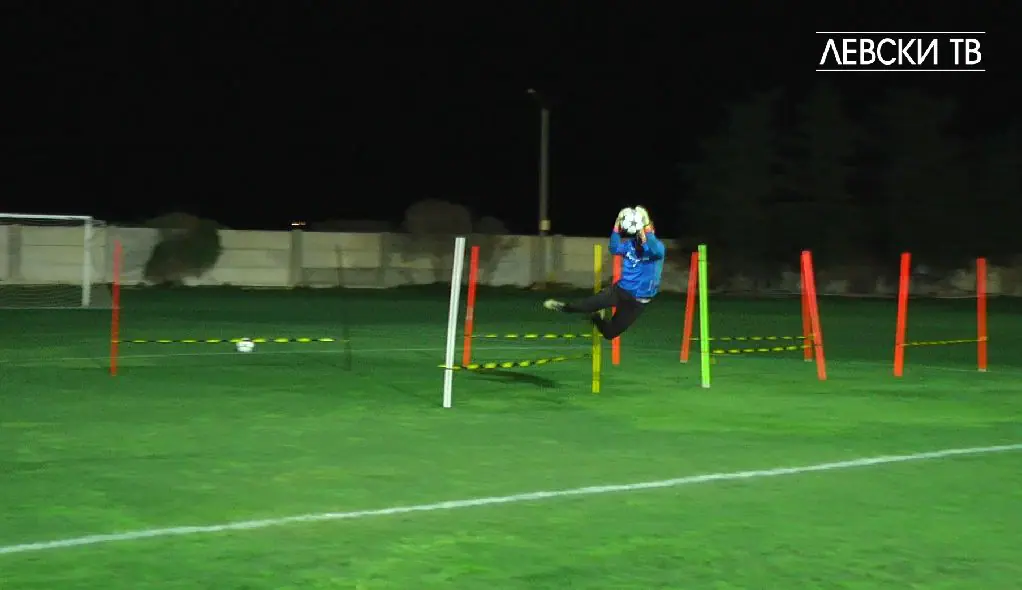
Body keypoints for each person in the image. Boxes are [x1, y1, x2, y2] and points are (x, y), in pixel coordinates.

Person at [543, 206, 665, 340]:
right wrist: (616, 227)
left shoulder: (657, 249)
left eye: (646, 230)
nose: (643, 233)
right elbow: (614, 248)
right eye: (641, 230)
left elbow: (655, 248)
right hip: (620, 291)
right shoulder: (629, 245)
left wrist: (646, 225)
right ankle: (564, 307)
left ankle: (595, 318)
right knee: (586, 305)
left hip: (637, 302)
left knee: (609, 334)